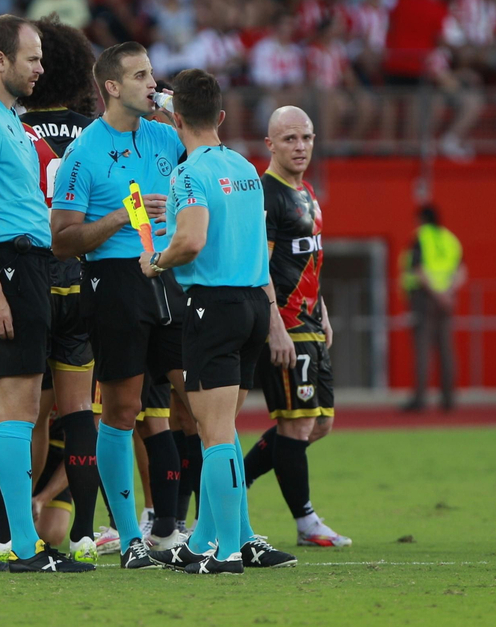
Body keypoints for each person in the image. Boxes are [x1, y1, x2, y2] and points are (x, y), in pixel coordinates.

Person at [0, 14, 94, 573]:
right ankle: (26, 547)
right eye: (32, 57)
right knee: (21, 411)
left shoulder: (5, 118)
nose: (41, 67)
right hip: (14, 268)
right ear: (0, 60)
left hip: (17, 266)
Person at [141, 69, 298, 575]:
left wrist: (158, 260)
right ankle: (206, 538)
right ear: (223, 117)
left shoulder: (189, 172)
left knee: (213, 437)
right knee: (223, 430)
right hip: (253, 304)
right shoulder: (248, 168)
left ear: (177, 119)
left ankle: (225, 551)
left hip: (212, 306)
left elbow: (192, 241)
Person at [51, 40, 187, 569]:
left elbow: (212, 161)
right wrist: (122, 216)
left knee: (198, 402)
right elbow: (61, 239)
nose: (151, 83)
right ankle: (132, 538)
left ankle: (201, 530)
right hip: (114, 281)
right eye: (140, 75)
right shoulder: (82, 152)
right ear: (111, 86)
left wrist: (184, 117)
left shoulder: (165, 136)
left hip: (170, 276)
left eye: (152, 74)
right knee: (124, 408)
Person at [10, 19, 102, 561]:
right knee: (80, 413)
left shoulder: (9, 125)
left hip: (29, 278)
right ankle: (86, 532)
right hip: (83, 280)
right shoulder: (96, 131)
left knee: (24, 412)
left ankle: (13, 528)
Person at [241, 106, 352, 549]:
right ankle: (306, 522)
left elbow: (307, 258)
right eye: (290, 139)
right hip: (284, 321)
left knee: (318, 424)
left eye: (306, 137)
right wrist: (275, 327)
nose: (300, 146)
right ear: (270, 145)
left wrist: (321, 307)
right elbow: (260, 265)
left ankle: (233, 485)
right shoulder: (266, 195)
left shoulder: (306, 193)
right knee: (297, 424)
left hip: (308, 318)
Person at [400, 204, 465, 412]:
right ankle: (448, 399)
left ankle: (420, 399)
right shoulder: (450, 239)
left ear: (421, 219)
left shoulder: (421, 237)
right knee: (446, 350)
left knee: (422, 350)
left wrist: (437, 295)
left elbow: (418, 270)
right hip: (447, 299)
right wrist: (447, 294)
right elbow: (462, 269)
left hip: (425, 299)